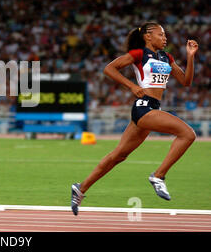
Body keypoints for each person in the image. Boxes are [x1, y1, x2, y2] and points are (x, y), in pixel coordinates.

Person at [70, 22, 198, 215]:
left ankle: (80, 188)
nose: (165, 38)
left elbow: (186, 81)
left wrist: (190, 57)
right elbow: (110, 69)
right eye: (160, 34)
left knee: (118, 156)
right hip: (143, 107)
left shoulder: (166, 57)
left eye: (165, 35)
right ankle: (158, 176)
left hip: (153, 108)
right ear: (148, 36)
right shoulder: (139, 54)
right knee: (188, 134)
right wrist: (131, 86)